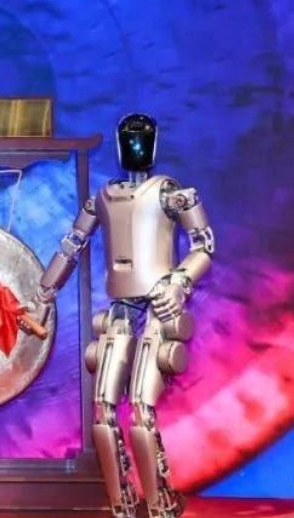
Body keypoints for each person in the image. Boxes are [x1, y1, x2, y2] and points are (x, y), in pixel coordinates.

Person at [30, 114, 214, 518]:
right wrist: (45, 292)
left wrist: (178, 283)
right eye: (130, 140)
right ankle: (122, 504)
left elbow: (203, 243)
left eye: (141, 140)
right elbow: (72, 243)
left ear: (154, 143)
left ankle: (159, 503)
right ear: (119, 144)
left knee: (142, 409)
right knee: (104, 408)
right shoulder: (104, 197)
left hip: (158, 304)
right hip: (120, 308)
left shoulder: (170, 193)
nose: (136, 147)